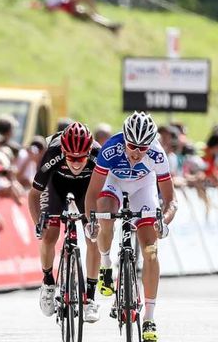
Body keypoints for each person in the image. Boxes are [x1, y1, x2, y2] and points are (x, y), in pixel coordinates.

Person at [85, 111, 177, 342]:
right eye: (132, 145)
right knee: (105, 212)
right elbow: (92, 193)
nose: (137, 152)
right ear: (124, 139)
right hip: (113, 183)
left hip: (143, 189)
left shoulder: (157, 154)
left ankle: (149, 317)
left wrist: (163, 221)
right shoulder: (110, 149)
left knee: (151, 252)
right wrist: (90, 221)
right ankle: (106, 264)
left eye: (143, 148)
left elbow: (171, 199)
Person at [28, 122, 102, 323]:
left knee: (93, 237)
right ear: (63, 151)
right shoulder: (53, 152)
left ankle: (90, 298)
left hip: (87, 190)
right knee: (49, 234)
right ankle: (48, 282)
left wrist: (97, 219)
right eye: (71, 158)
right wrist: (38, 223)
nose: (77, 163)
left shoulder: (98, 154)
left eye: (81, 158)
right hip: (56, 187)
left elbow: (106, 191)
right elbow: (34, 194)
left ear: (89, 151)